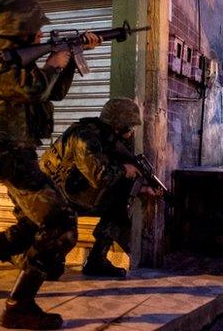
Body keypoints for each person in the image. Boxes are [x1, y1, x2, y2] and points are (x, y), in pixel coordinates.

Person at [0, 0, 102, 329]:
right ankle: (19, 305)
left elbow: (51, 92)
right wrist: (52, 63)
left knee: (32, 224)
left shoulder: (22, 61)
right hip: (6, 152)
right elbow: (31, 88)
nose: (42, 37)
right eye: (38, 31)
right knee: (61, 225)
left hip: (16, 152)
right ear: (25, 31)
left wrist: (71, 59)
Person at [40, 97, 161, 278]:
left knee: (120, 200)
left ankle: (97, 259)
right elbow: (100, 177)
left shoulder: (106, 137)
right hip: (49, 194)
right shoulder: (85, 137)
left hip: (69, 190)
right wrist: (124, 169)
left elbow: (108, 175)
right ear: (119, 124)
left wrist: (142, 188)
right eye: (130, 126)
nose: (132, 131)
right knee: (50, 271)